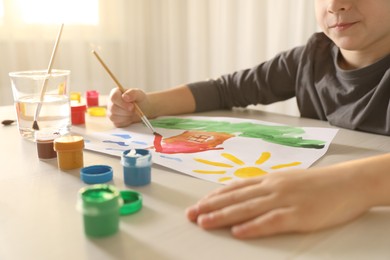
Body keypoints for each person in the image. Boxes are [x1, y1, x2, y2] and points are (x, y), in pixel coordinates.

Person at [107, 0, 390, 239]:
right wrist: (149, 104)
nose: (335, 4)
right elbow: (225, 89)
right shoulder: (310, 57)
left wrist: (348, 184)